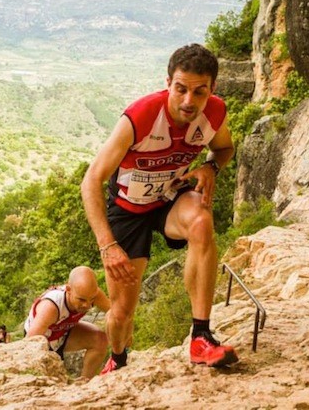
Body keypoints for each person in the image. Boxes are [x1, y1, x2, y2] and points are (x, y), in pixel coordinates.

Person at [81, 43, 238, 374]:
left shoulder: (213, 113)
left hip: (168, 198)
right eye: (180, 89)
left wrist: (211, 168)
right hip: (127, 209)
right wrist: (107, 245)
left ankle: (201, 336)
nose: (188, 101)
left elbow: (223, 148)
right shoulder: (140, 117)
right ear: (168, 83)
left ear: (212, 90)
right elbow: (91, 181)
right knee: (122, 311)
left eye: (199, 92)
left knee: (201, 220)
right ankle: (119, 357)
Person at [24, 265, 110, 380]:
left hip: (63, 332)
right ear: (68, 290)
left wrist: (124, 337)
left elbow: (116, 313)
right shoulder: (51, 307)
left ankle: (85, 382)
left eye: (92, 299)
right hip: (42, 339)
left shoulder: (92, 294)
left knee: (100, 339)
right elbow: (30, 343)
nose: (87, 305)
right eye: (82, 300)